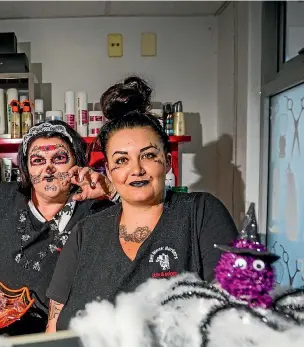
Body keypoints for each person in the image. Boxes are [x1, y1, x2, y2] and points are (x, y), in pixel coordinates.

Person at [46, 76, 238, 332]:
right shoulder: (85, 233)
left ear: (167, 162)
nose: (136, 170)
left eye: (148, 155)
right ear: (110, 171)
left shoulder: (199, 214)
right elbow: (54, 324)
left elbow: (234, 316)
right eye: (122, 160)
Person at [0, 120, 113, 347]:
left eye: (59, 159)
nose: (48, 169)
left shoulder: (96, 215)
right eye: (38, 160)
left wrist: (112, 190)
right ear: (26, 169)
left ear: (78, 164)